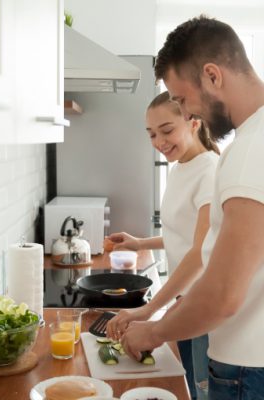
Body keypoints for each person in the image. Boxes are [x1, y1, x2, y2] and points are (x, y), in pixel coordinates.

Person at [113, 15, 264, 400]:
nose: (190, 113)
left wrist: (153, 328)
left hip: (246, 363)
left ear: (213, 76)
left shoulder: (249, 153)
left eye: (181, 99)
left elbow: (224, 292)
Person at [106, 90, 219, 400]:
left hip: (204, 305)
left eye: (167, 130)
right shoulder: (181, 168)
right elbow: (182, 232)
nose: (158, 141)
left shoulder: (209, 171)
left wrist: (149, 310)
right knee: (193, 388)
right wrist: (140, 242)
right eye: (152, 133)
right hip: (184, 299)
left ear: (194, 122)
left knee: (202, 391)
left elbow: (199, 253)